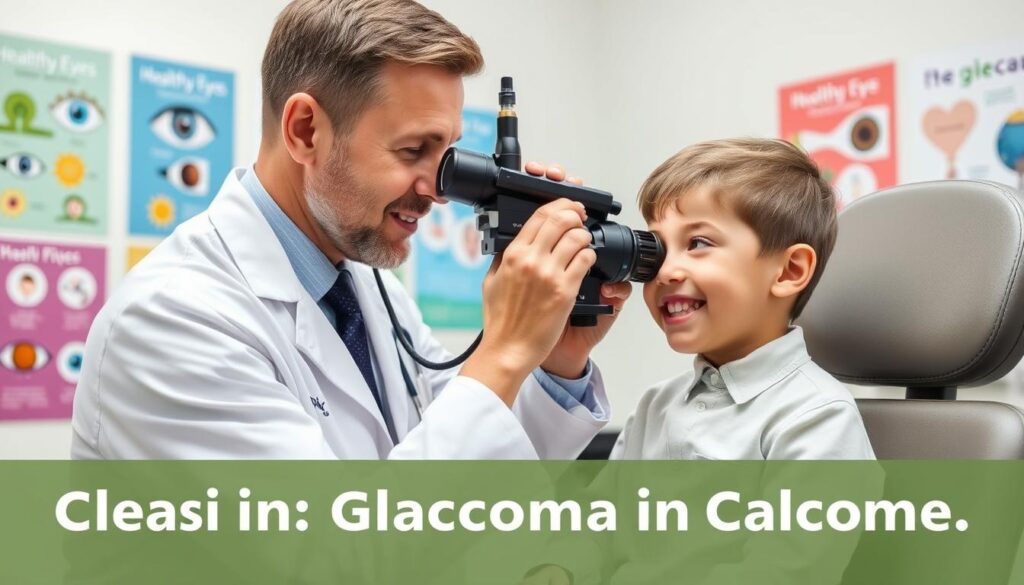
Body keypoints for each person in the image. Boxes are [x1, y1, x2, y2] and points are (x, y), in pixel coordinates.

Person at [70, 0, 630, 459]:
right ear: (305, 130)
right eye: (413, 149)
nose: (438, 190)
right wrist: (504, 351)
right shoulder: (172, 321)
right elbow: (339, 544)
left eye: (447, 152)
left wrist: (555, 356)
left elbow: (478, 464)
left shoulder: (370, 290)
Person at [613, 137, 874, 460]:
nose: (664, 272)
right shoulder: (653, 408)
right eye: (658, 248)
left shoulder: (817, 416)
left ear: (789, 271)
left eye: (697, 243)